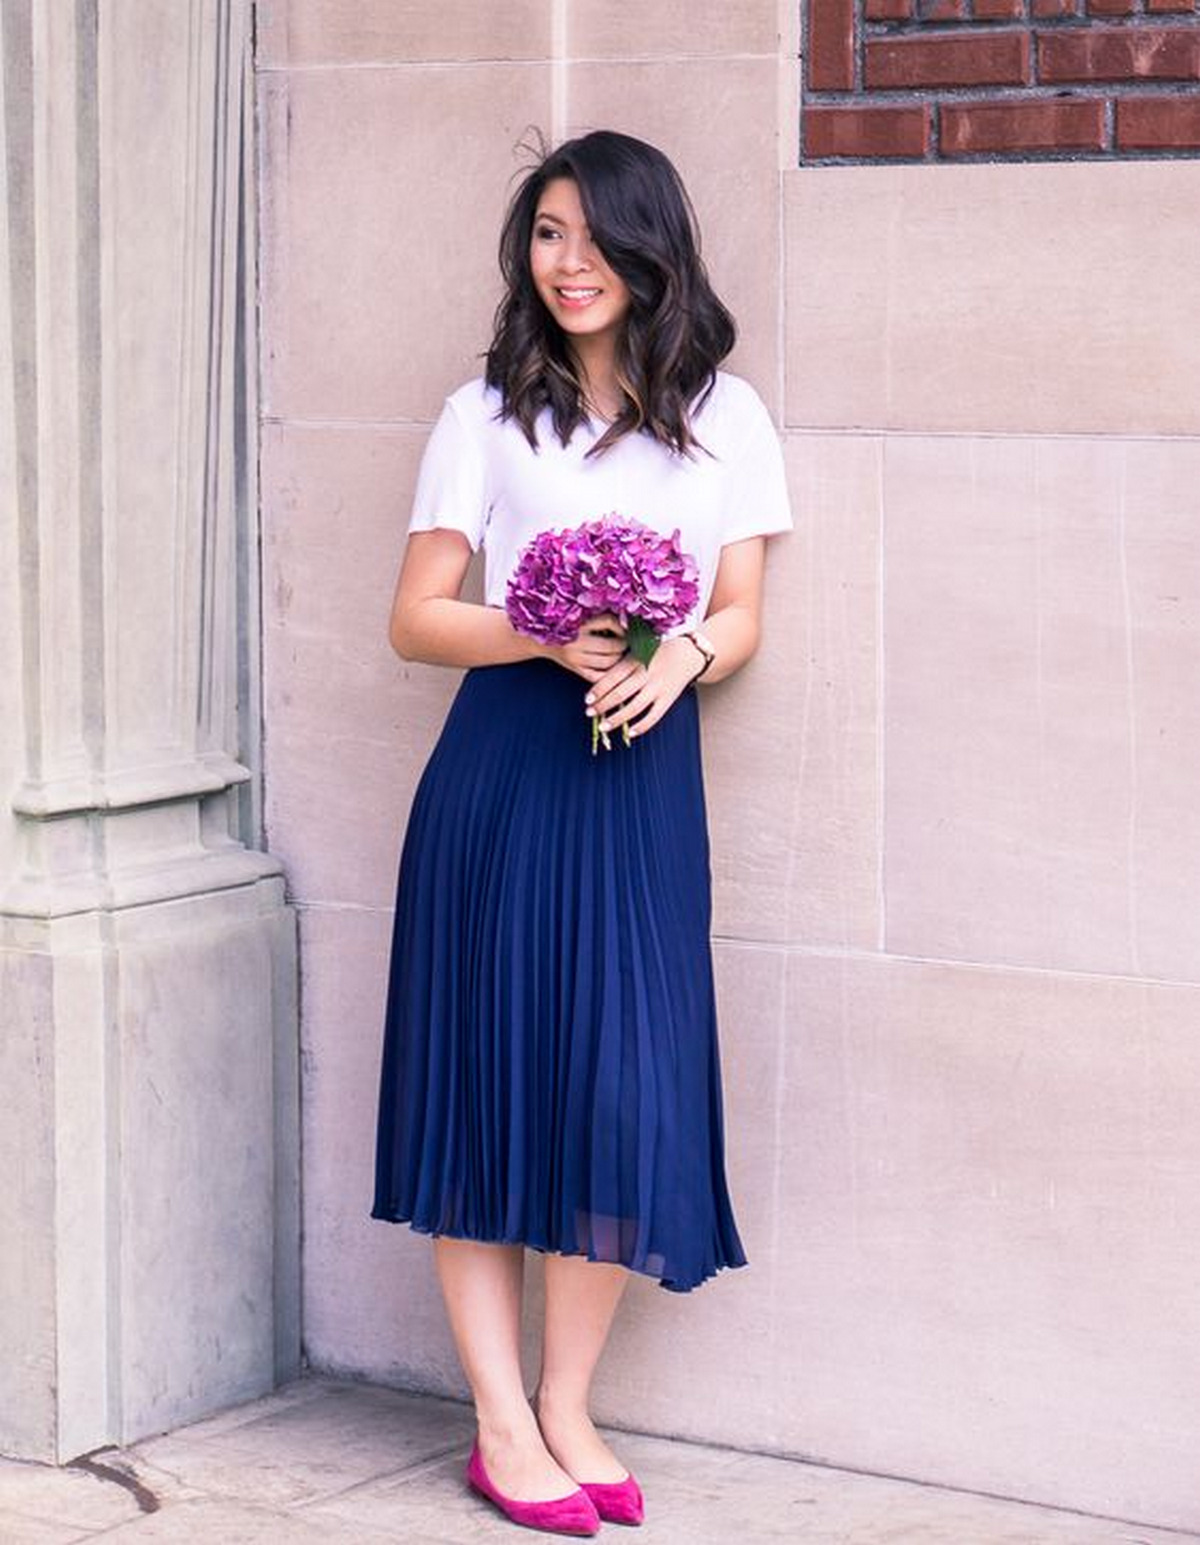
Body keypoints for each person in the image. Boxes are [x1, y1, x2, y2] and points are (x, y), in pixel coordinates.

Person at [371, 129, 792, 1536]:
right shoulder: (482, 413)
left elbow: (738, 616)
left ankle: (566, 1399)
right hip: (501, 779)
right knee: (489, 1094)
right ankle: (501, 1420)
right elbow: (416, 618)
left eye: (594, 237)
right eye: (546, 236)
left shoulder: (729, 417)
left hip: (640, 787)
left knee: (623, 1094)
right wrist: (542, 635)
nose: (569, 264)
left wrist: (681, 661)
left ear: (649, 247)